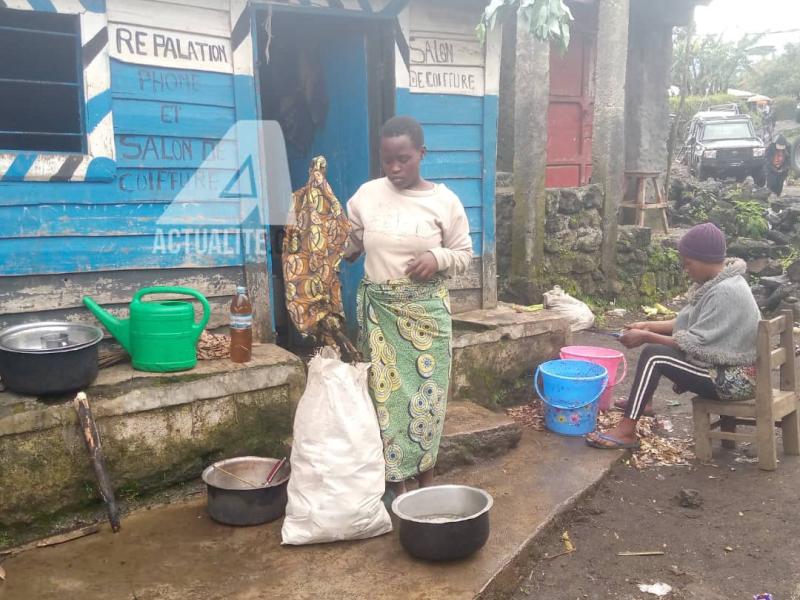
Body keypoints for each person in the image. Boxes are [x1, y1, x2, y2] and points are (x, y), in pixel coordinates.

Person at [345, 115, 472, 500]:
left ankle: (426, 480)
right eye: (387, 160)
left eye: (404, 158)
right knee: (385, 401)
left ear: (421, 153)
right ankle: (398, 486)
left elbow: (465, 254)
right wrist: (329, 246)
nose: (396, 168)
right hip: (380, 315)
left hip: (426, 319)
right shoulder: (366, 196)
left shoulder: (444, 202)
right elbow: (349, 246)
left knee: (427, 400)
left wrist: (437, 258)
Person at [587, 223, 760, 449]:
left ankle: (627, 431)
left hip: (734, 381)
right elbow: (685, 323)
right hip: (730, 372)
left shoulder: (725, 292)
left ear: (705, 259)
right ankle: (643, 403)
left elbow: (693, 345)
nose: (686, 270)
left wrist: (646, 337)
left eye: (688, 264)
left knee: (655, 355)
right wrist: (647, 325)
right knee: (657, 349)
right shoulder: (719, 283)